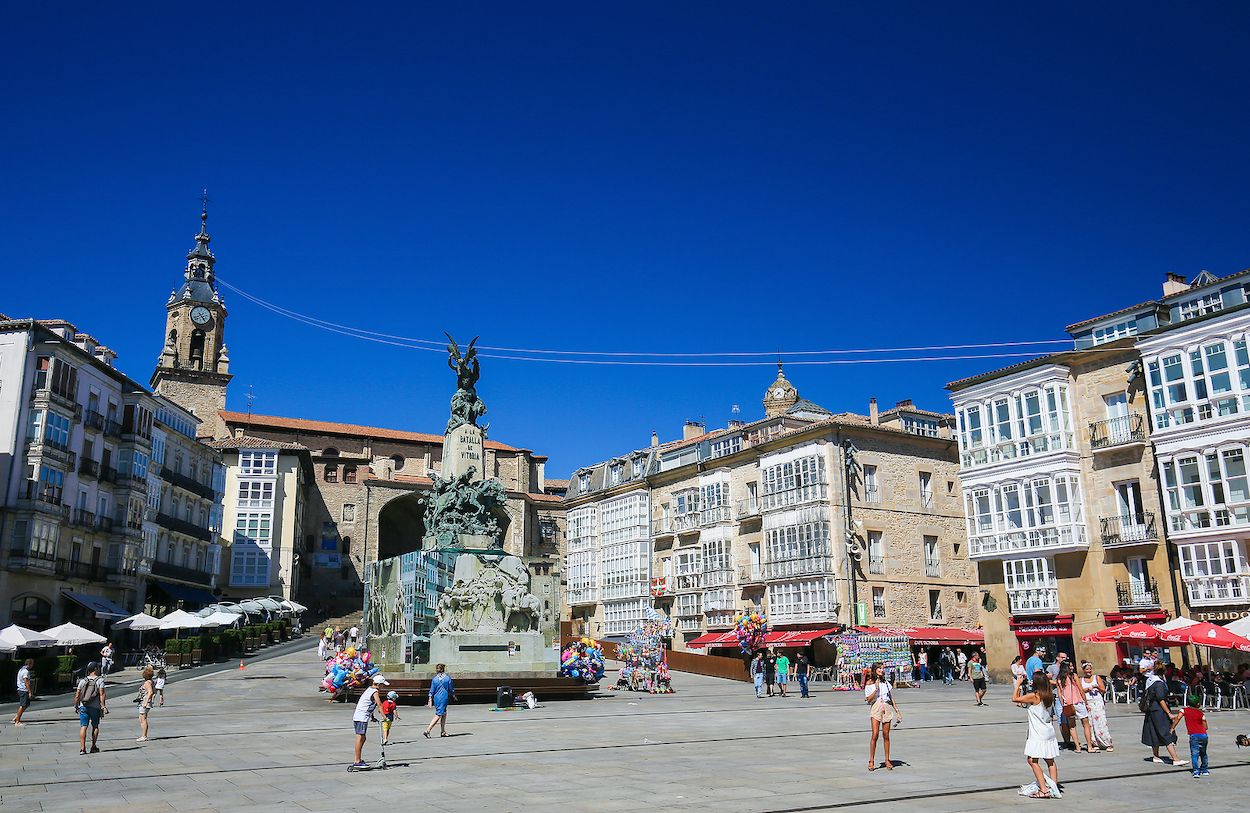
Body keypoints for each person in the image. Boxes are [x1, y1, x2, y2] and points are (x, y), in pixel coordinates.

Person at [1014, 671, 1061, 798]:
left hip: (1037, 732)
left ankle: (1044, 789)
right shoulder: (1049, 695)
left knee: (1032, 760)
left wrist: (1018, 684)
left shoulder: (1034, 696)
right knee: (1050, 760)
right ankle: (1054, 786)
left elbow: (1015, 699)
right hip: (1048, 730)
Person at [1141, 663, 1185, 766]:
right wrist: (1169, 713)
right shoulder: (1159, 683)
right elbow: (1161, 700)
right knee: (1166, 732)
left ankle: (1156, 756)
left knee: (1154, 732)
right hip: (1159, 711)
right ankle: (1175, 759)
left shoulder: (1150, 680)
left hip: (1151, 710)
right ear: (1163, 671)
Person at [865, 663, 901, 771]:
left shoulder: (885, 683)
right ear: (875, 670)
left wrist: (898, 711)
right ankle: (871, 761)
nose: (881, 670)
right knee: (875, 734)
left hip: (886, 707)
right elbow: (868, 700)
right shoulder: (870, 683)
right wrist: (876, 689)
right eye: (879, 668)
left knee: (886, 735)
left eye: (882, 668)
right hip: (876, 707)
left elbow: (891, 697)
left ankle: (887, 760)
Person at [352, 673, 389, 767]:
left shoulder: (369, 689)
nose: (383, 687)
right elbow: (379, 705)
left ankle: (358, 759)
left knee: (362, 737)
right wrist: (385, 717)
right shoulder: (375, 692)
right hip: (361, 717)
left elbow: (368, 704)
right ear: (379, 684)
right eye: (382, 685)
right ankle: (357, 761)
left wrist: (372, 717)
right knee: (360, 737)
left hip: (360, 716)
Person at [1056, 661, 1093, 752]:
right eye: (1071, 666)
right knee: (1086, 724)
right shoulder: (1073, 676)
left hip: (1068, 704)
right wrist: (1086, 702)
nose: (1072, 668)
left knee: (1072, 726)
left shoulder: (1059, 679)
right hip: (1078, 702)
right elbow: (1081, 690)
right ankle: (1089, 746)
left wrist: (1063, 704)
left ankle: (1077, 747)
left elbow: (1059, 693)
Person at [1170, 693, 1209, 778]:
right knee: (1203, 753)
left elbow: (1178, 718)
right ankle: (1204, 769)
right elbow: (1206, 727)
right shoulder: (1201, 713)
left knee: (1194, 754)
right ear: (1198, 704)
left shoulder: (1184, 710)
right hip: (1203, 735)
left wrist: (1172, 728)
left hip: (1194, 735)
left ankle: (1196, 771)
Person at [73, 662, 107, 755]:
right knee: (95, 726)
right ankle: (93, 746)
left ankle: (82, 748)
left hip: (83, 706)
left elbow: (77, 695)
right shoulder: (100, 680)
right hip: (95, 707)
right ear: (95, 669)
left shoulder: (82, 681)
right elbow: (102, 694)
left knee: (83, 726)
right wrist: (103, 706)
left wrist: (76, 705)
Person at [1080, 661, 1114, 752]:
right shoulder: (1081, 680)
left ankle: (1107, 743)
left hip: (1097, 702)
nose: (1089, 671)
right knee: (1090, 724)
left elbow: (1103, 690)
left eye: (1090, 669)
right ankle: (1094, 742)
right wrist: (1087, 689)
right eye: (1087, 669)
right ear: (1083, 670)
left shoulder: (1096, 677)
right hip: (1088, 702)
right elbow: (1080, 691)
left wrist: (1097, 687)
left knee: (1101, 722)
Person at [423, 663, 456, 738]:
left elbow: (432, 690)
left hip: (436, 697)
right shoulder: (447, 678)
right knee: (439, 714)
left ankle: (443, 731)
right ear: (443, 669)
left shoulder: (435, 679)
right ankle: (427, 730)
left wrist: (430, 699)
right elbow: (451, 688)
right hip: (443, 697)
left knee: (444, 713)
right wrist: (454, 695)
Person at [11, 659, 33, 726]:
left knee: (27, 704)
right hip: (23, 690)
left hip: (21, 689)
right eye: (32, 664)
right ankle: (17, 721)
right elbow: (26, 681)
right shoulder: (25, 671)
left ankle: (15, 718)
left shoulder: (21, 670)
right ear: (29, 664)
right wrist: (30, 691)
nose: (32, 665)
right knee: (23, 705)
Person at [137, 666, 155, 742]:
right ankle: (143, 735)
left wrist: (145, 702)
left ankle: (144, 736)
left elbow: (150, 692)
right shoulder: (151, 681)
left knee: (143, 719)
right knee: (142, 718)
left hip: (144, 702)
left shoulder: (147, 682)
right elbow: (154, 692)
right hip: (145, 702)